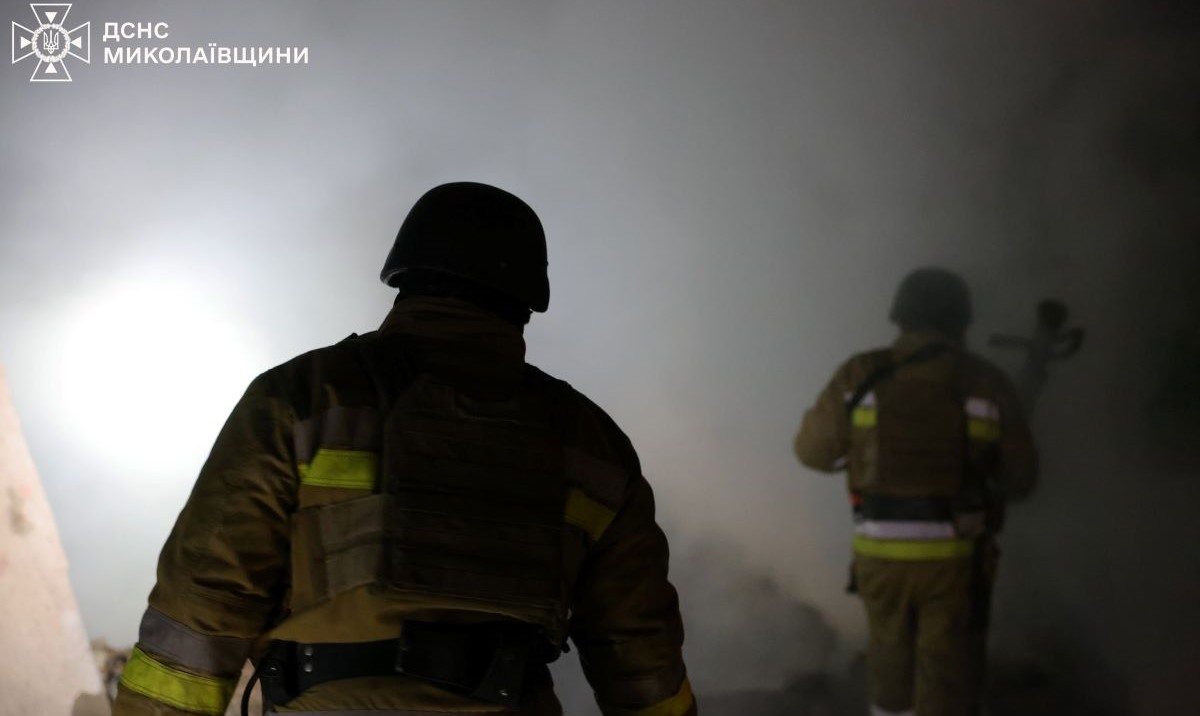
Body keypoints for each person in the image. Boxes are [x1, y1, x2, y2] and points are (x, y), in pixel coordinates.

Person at [113, 182, 696, 716]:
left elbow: (203, 602)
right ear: (526, 302)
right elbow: (640, 653)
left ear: (404, 278)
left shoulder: (302, 398)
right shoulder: (594, 448)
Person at [793, 268, 1037, 716]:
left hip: (879, 557)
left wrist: (857, 456)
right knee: (945, 678)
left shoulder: (860, 374)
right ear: (961, 321)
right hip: (954, 562)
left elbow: (811, 451)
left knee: (889, 672)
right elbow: (1021, 479)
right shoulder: (985, 381)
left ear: (900, 316)